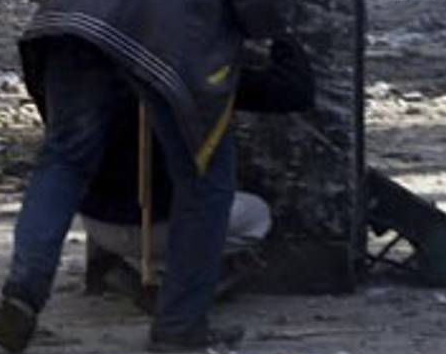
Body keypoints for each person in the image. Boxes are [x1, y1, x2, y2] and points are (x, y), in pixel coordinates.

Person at [0, 0, 300, 354]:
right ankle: (180, 324)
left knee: (63, 160)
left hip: (75, 17)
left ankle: (22, 293)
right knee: (204, 179)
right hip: (167, 37)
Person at [82, 37, 314, 312]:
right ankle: (177, 285)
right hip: (161, 226)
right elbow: (294, 91)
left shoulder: (101, 63)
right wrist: (281, 33)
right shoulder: (197, 71)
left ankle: (135, 267)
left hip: (97, 224)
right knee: (254, 214)